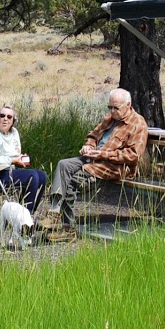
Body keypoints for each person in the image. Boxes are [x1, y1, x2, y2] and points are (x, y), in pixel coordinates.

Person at [39, 88, 148, 234]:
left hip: (114, 166)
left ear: (128, 105)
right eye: (110, 107)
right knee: (63, 165)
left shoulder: (138, 124)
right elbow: (92, 135)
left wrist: (103, 154)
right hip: (93, 158)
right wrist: (88, 146)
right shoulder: (109, 119)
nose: (112, 111)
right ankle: (54, 212)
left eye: (116, 108)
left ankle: (68, 229)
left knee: (74, 181)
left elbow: (133, 155)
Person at [0, 104, 47, 211]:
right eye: (2, 115)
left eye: (9, 117)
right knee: (32, 176)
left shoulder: (14, 133)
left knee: (42, 175)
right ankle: (25, 215)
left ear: (13, 121)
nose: (5, 119)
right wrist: (12, 160)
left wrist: (20, 159)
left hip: (6, 172)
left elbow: (15, 154)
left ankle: (25, 213)